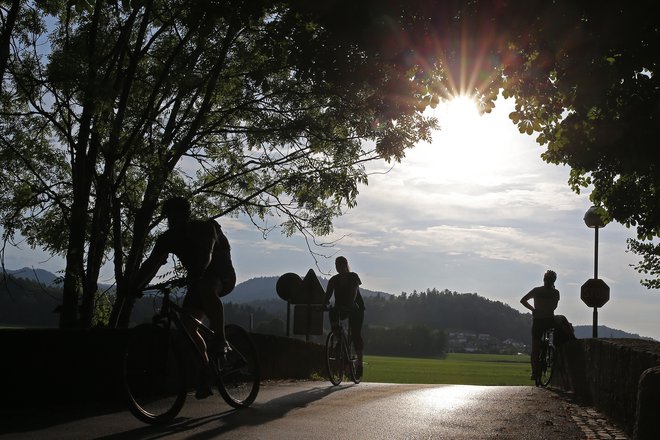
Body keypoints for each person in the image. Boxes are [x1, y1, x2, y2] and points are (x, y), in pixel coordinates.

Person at [134, 196, 236, 398]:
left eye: (177, 216)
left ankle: (222, 339)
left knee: (207, 285)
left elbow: (206, 252)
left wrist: (198, 270)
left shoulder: (206, 228)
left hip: (221, 275)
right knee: (187, 328)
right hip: (197, 281)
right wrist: (134, 286)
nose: (173, 221)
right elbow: (151, 265)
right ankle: (206, 372)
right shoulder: (167, 239)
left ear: (186, 215)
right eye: (170, 218)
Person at [324, 256, 365, 377]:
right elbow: (328, 295)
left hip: (356, 308)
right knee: (333, 312)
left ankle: (360, 364)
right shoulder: (333, 280)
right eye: (337, 265)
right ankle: (338, 338)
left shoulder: (353, 277)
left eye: (340, 265)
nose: (338, 267)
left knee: (356, 334)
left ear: (346, 265)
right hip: (341, 307)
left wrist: (351, 303)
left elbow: (354, 291)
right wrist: (323, 304)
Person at [520, 270, 560, 380]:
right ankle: (552, 352)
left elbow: (523, 300)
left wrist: (533, 309)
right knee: (554, 338)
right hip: (550, 320)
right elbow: (554, 307)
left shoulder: (536, 291)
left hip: (538, 321)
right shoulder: (556, 293)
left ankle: (534, 372)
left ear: (544, 279)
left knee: (535, 347)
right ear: (553, 281)